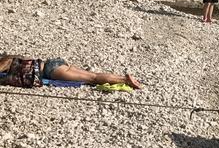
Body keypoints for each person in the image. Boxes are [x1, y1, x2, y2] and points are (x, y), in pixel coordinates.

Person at [0, 55, 143, 89]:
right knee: (92, 75)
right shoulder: (10, 58)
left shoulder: (5, 62)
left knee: (92, 78)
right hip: (54, 63)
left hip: (52, 71)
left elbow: (4, 67)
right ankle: (122, 77)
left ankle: (125, 81)